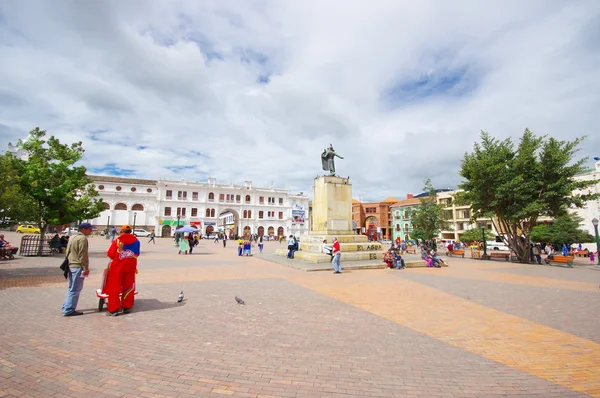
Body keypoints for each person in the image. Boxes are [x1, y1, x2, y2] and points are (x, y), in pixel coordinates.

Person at [105, 224, 140, 316]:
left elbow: (111, 254)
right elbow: (137, 253)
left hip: (117, 267)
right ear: (131, 231)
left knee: (114, 288)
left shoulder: (117, 241)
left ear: (122, 231)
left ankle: (113, 309)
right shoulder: (136, 241)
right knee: (128, 287)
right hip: (130, 267)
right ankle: (127, 306)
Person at [61, 222, 94, 316]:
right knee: (75, 289)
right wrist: (85, 268)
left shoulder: (73, 237)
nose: (91, 231)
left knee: (71, 288)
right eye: (89, 229)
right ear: (83, 229)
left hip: (71, 265)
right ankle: (69, 309)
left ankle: (66, 307)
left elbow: (68, 251)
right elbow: (83, 255)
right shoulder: (82, 239)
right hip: (77, 266)